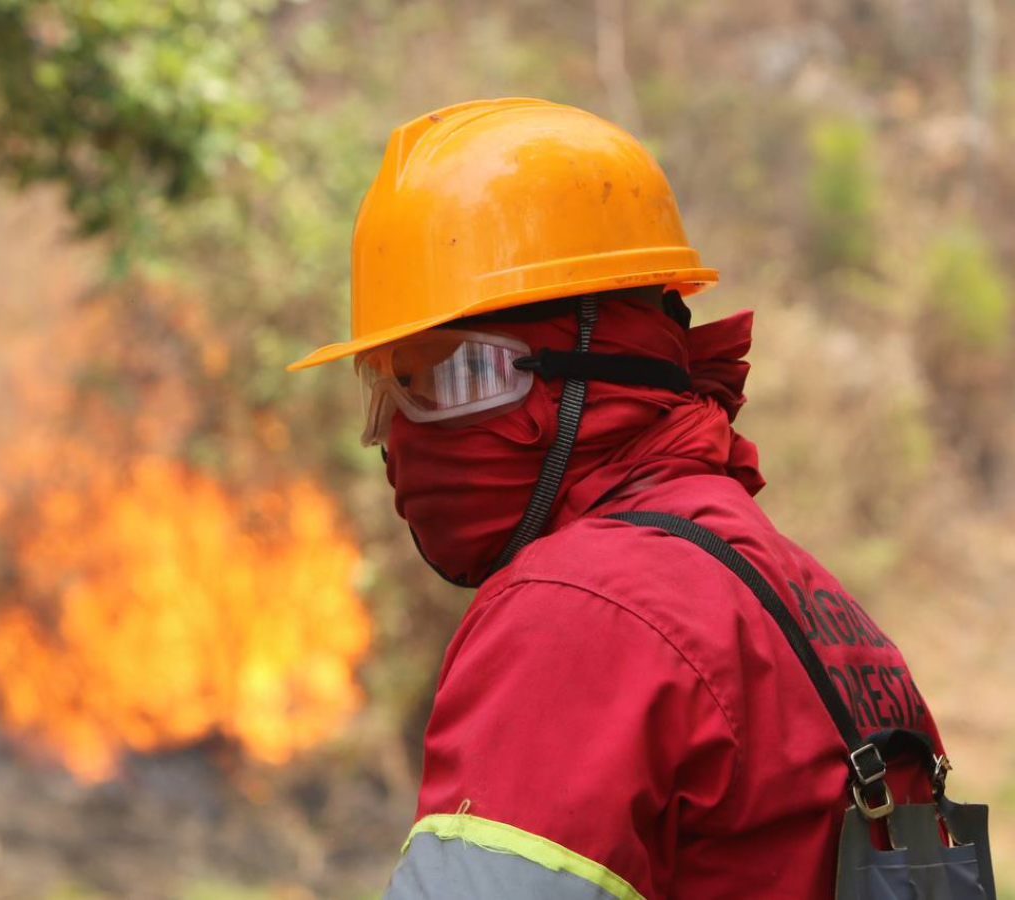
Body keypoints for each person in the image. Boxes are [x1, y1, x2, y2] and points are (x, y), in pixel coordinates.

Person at [288, 98, 946, 899]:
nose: (393, 435)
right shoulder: (804, 597)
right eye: (386, 389)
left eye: (445, 375)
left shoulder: (581, 609)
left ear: (586, 368)